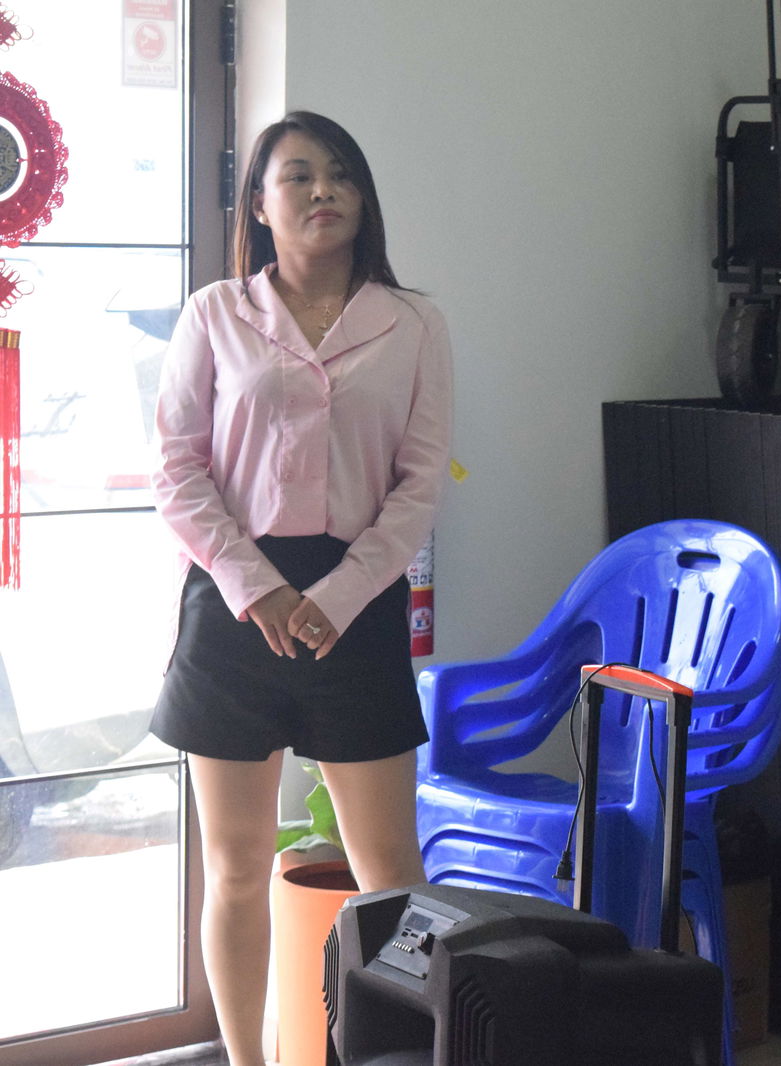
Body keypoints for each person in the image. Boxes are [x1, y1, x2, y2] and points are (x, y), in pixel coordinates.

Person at [150, 111, 452, 1066]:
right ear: (261, 205)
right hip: (236, 606)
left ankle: (394, 1053)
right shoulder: (214, 314)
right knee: (238, 869)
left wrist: (345, 590)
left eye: (341, 176)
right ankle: (248, 1060)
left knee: (391, 874)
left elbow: (419, 484)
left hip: (354, 610)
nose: (324, 191)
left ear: (364, 199)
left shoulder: (413, 323)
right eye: (299, 177)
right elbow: (176, 470)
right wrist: (261, 589)